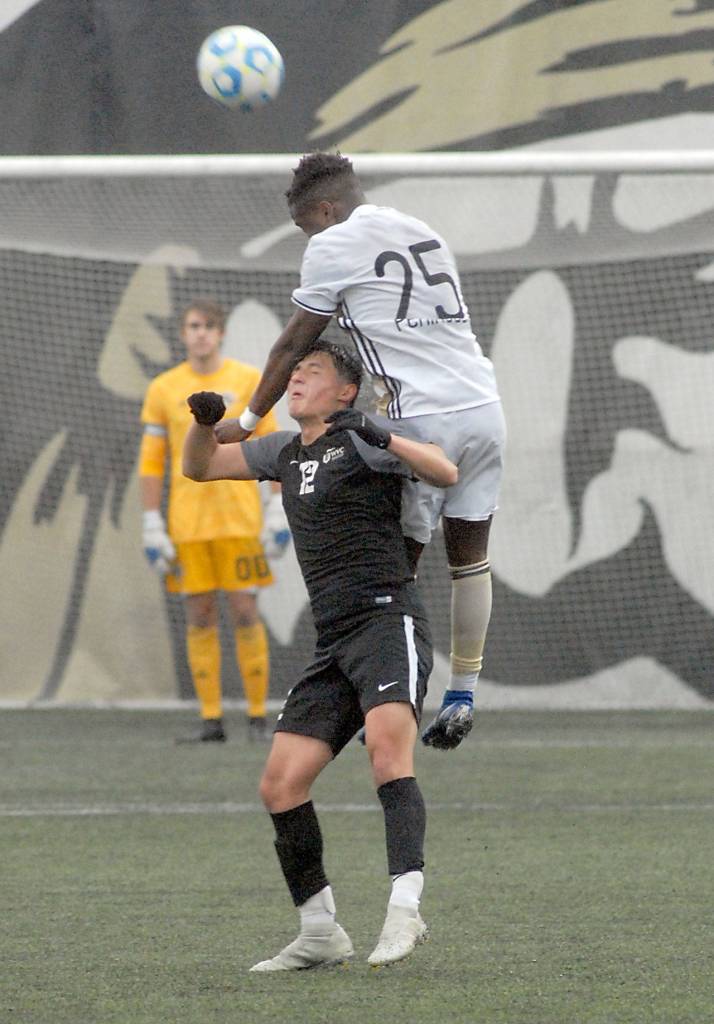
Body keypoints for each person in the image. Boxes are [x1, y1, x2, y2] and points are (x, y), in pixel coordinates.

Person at [214, 152, 506, 751]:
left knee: (390, 570)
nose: (309, 240)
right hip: (483, 405)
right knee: (470, 557)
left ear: (324, 209)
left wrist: (246, 419)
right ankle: (464, 693)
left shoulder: (333, 244)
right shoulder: (422, 229)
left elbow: (297, 338)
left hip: (420, 420)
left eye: (306, 228)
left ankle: (382, 693)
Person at [183, 340, 457, 969]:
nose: (297, 380)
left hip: (388, 620)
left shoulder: (365, 436)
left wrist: (383, 436)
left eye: (313, 373)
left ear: (346, 392)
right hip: (334, 640)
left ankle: (404, 910)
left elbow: (445, 471)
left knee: (389, 756)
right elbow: (199, 468)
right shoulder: (281, 448)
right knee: (280, 784)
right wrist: (202, 424)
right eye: (294, 372)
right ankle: (319, 931)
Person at [139, 298, 289, 743]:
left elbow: (272, 442)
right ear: (183, 333)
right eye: (192, 325)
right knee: (200, 615)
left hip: (240, 521)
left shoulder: (246, 380)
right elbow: (151, 462)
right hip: (188, 525)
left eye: (208, 326)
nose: (200, 333)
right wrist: (151, 520)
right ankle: (211, 720)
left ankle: (259, 717)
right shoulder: (163, 388)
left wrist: (276, 506)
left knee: (245, 611)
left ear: (221, 332)